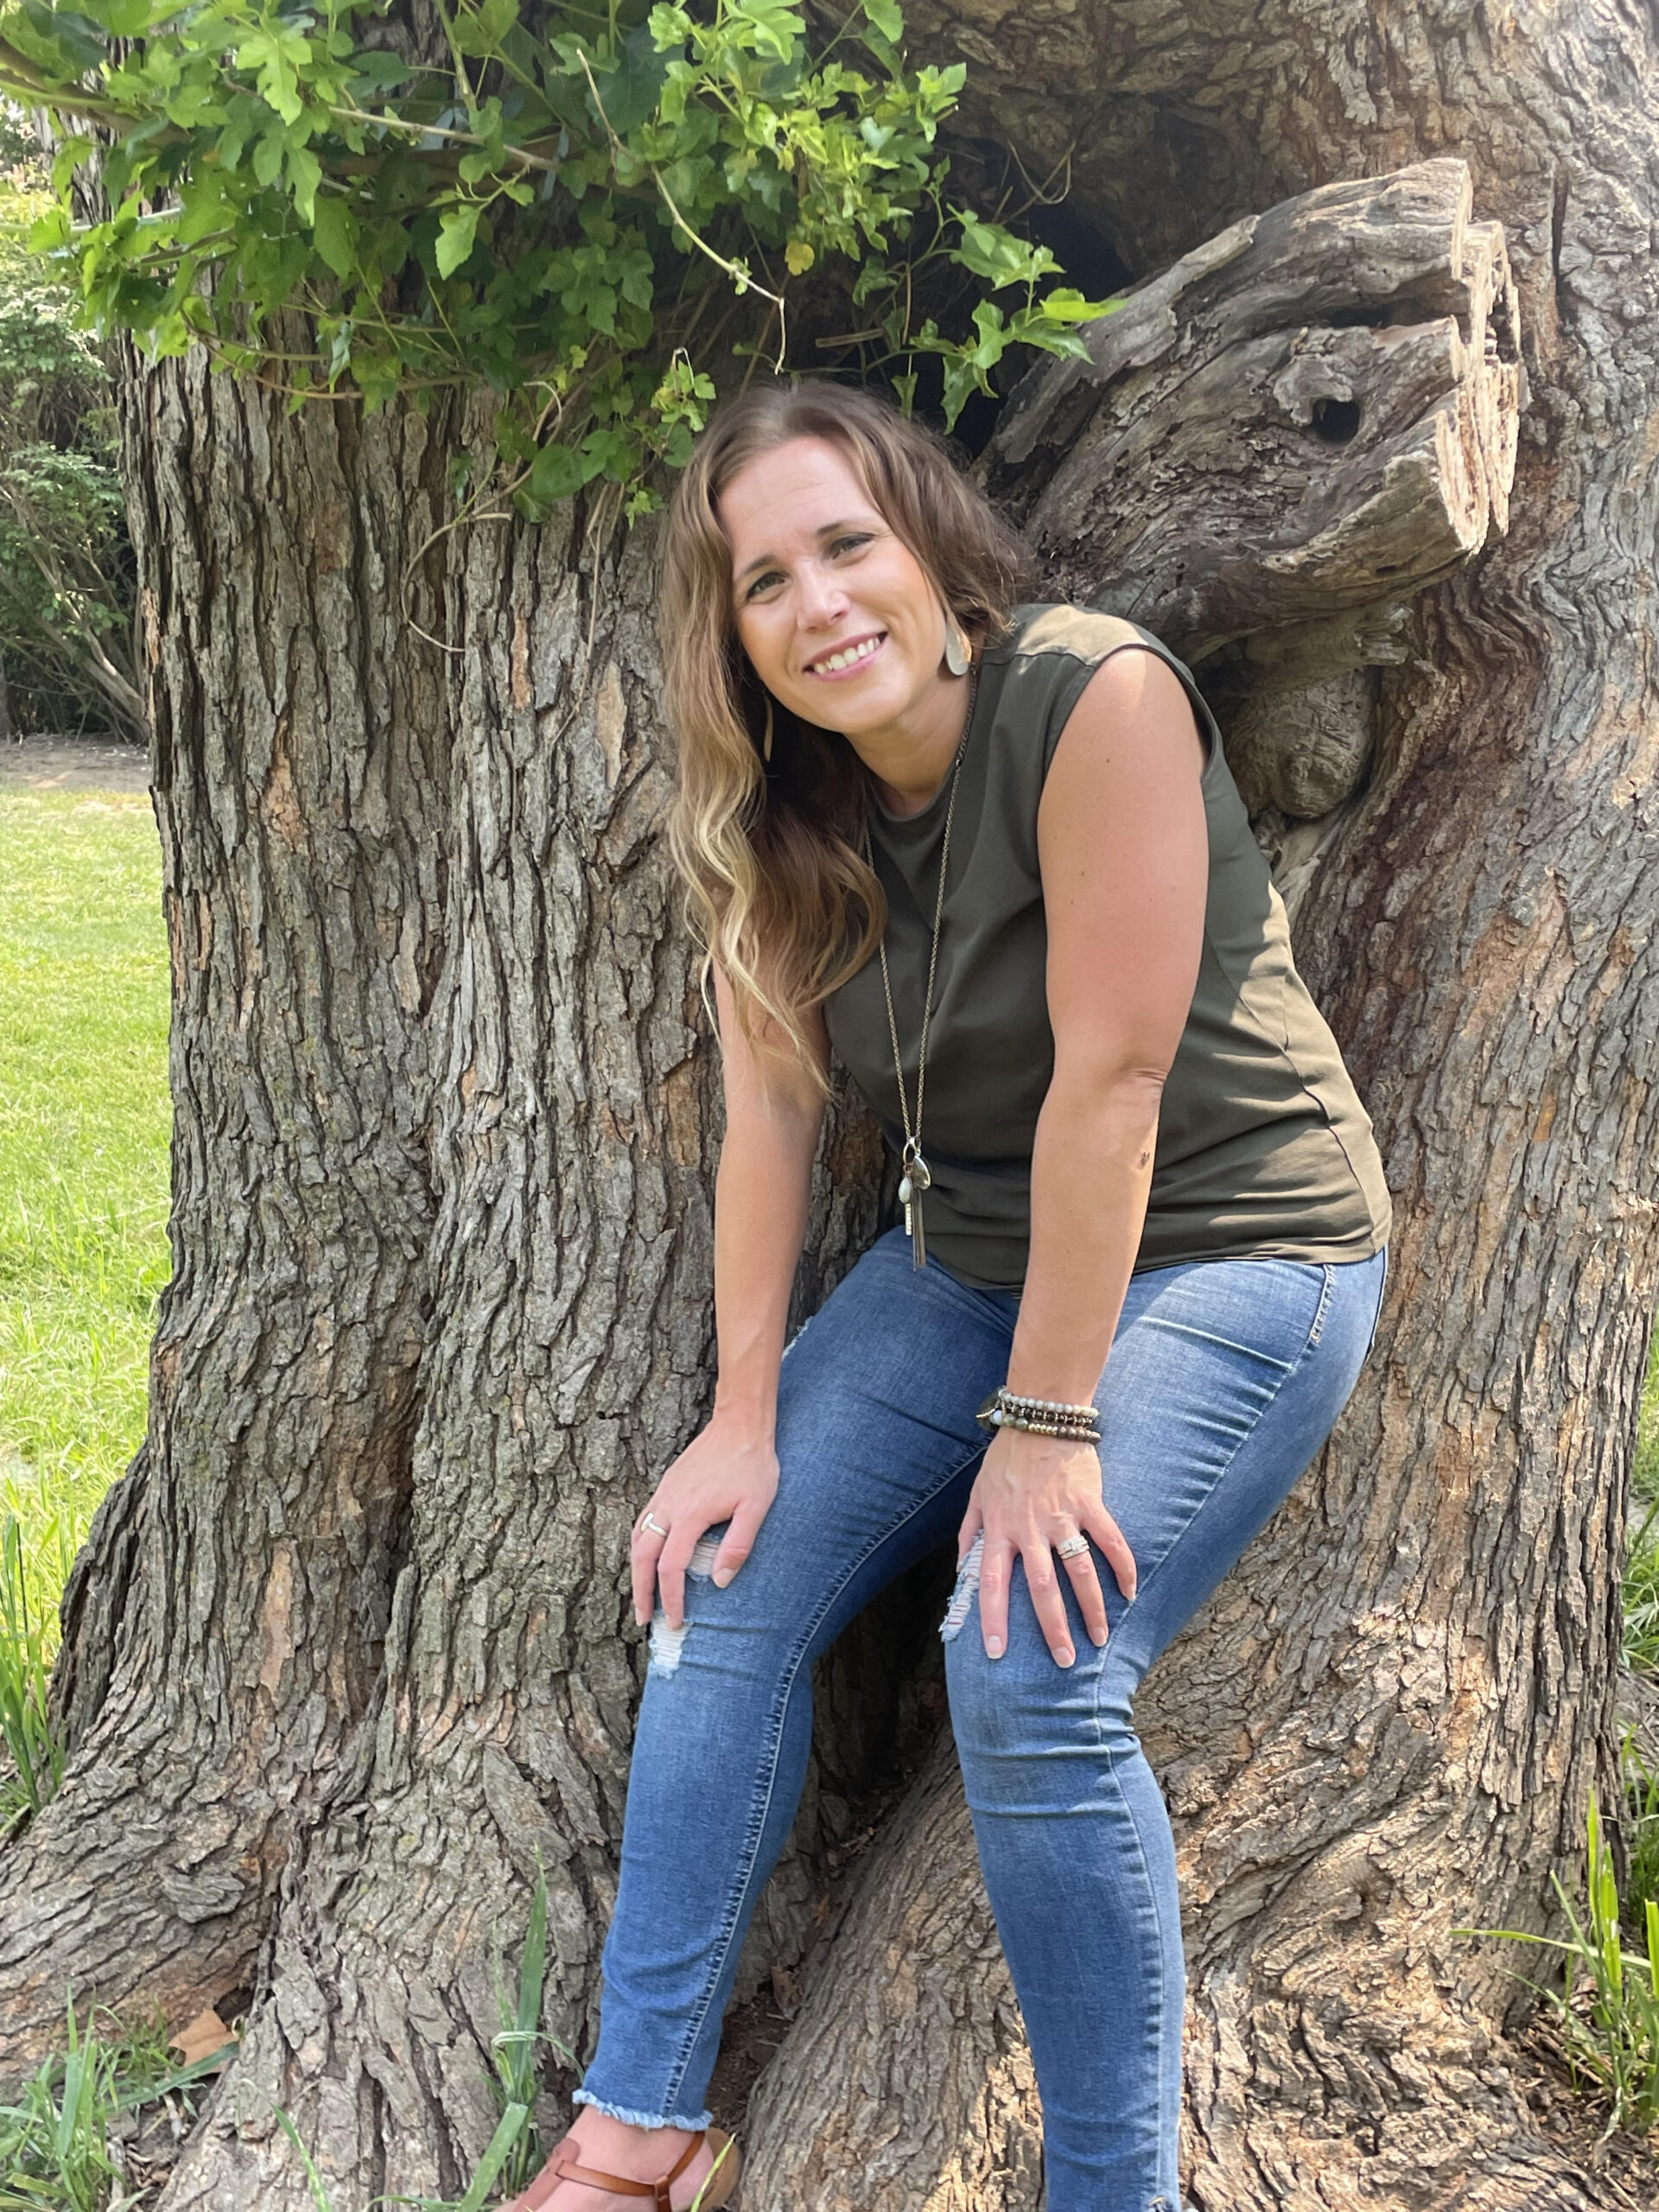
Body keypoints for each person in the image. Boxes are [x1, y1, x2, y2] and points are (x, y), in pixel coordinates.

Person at [501, 381, 1392, 2212]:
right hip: (979, 1253)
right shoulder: (775, 805)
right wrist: (745, 1413)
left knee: (1031, 1659)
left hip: (1238, 1247)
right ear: (731, 628)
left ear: (929, 543)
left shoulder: (1093, 695)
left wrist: (1051, 1423)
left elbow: (1117, 1089)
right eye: (767, 578)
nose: (820, 601)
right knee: (716, 1577)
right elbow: (767, 1107)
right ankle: (640, 2126)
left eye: (849, 543)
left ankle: (1110, 2192)